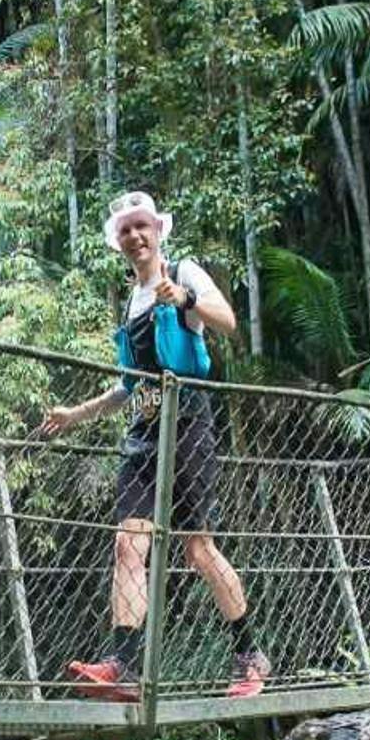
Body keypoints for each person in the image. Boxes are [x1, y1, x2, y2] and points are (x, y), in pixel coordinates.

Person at [38, 190, 269, 702]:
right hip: (143, 435)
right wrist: (75, 415)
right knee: (127, 544)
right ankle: (122, 666)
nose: (135, 236)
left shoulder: (183, 272)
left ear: (158, 230)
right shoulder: (131, 302)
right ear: (118, 242)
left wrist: (183, 299)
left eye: (142, 226)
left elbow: (228, 321)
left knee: (197, 549)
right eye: (125, 230)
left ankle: (249, 654)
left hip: (187, 425)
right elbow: (127, 387)